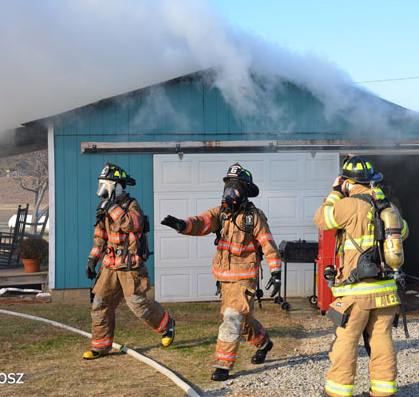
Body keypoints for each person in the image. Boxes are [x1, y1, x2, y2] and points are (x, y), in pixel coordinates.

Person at [161, 163, 282, 381]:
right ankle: (264, 342)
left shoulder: (254, 217)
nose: (231, 192)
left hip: (245, 278)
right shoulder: (221, 213)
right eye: (228, 186)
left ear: (245, 191)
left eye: (236, 188)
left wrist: (276, 271)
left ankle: (222, 366)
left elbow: (267, 243)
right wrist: (181, 224)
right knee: (243, 322)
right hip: (225, 278)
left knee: (231, 319)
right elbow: (201, 222)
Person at [314, 155, 408, 397]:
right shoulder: (388, 207)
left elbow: (321, 219)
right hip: (386, 292)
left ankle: (337, 392)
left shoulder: (347, 205)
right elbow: (404, 232)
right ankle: (384, 391)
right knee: (381, 339)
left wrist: (335, 192)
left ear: (347, 182)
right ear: (372, 180)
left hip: (356, 293)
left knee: (346, 340)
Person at [83, 162, 175, 359]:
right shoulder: (104, 208)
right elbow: (100, 236)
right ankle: (100, 347)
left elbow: (132, 225)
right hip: (109, 266)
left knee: (138, 305)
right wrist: (92, 259)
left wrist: (112, 207)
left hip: (130, 267)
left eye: (105, 186)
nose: (102, 191)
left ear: (116, 186)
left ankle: (167, 325)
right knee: (100, 304)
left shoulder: (131, 205)